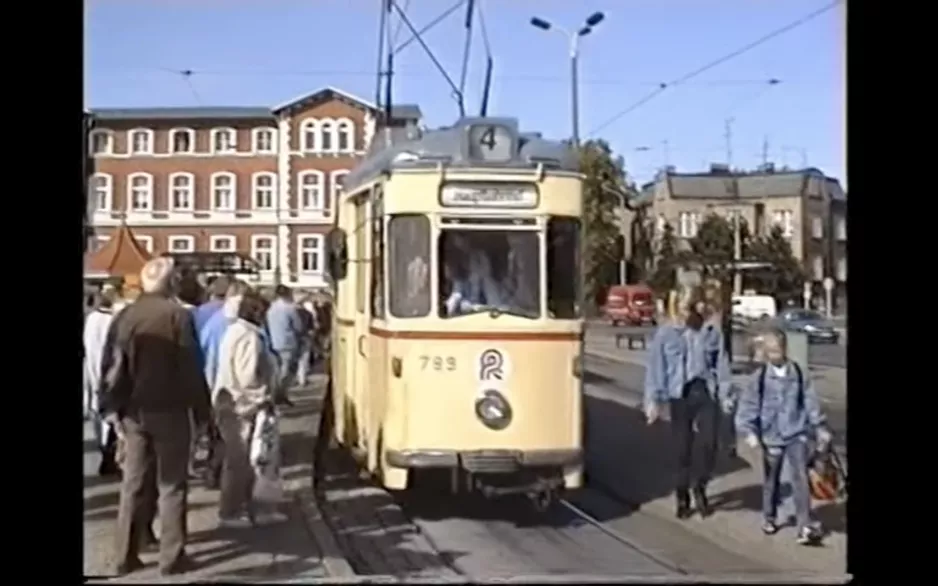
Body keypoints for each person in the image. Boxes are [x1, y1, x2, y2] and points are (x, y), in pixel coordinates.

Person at [99, 257, 211, 576]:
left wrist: (111, 408)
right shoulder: (177, 315)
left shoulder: (125, 316)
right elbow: (191, 368)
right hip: (171, 410)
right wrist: (203, 413)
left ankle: (124, 554)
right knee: (172, 484)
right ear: (170, 283)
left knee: (132, 482)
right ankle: (171, 557)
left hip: (133, 411)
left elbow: (111, 365)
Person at [735, 328, 830, 545]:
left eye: (778, 351)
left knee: (800, 478)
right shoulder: (758, 379)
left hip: (796, 433)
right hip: (771, 436)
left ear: (785, 349)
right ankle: (770, 516)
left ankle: (804, 525)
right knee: (772, 480)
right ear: (765, 353)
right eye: (770, 352)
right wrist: (749, 432)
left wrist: (819, 426)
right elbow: (748, 407)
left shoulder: (797, 372)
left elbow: (809, 401)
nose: (775, 356)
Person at [644, 292, 733, 520]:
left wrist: (725, 394)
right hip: (679, 394)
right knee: (682, 449)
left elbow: (721, 364)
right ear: (676, 307)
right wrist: (652, 401)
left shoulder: (711, 332)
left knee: (710, 443)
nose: (688, 312)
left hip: (705, 391)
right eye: (684, 307)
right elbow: (656, 368)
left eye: (692, 307)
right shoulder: (666, 334)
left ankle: (700, 486)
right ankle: (682, 495)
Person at [213, 290, 286, 527]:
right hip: (242, 407)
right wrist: (263, 397)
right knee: (245, 461)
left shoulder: (233, 331)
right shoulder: (249, 337)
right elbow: (247, 377)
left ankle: (243, 508)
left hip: (230, 404)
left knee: (241, 461)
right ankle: (233, 511)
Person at [84, 290, 118, 476]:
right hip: (103, 374)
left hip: (94, 373)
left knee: (99, 417)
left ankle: (106, 452)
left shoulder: (92, 320)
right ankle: (108, 453)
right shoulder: (109, 321)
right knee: (106, 418)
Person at [265, 285, 305, 406]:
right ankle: (280, 395)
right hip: (288, 343)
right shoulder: (290, 308)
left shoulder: (270, 309)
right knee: (286, 371)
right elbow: (298, 326)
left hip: (273, 342)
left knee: (277, 371)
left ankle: (278, 395)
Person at [295, 295, 316, 387]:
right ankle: (302, 379)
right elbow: (311, 329)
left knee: (294, 359)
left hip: (294, 338)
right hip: (305, 337)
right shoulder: (308, 314)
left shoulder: (292, 313)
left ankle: (295, 378)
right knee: (303, 359)